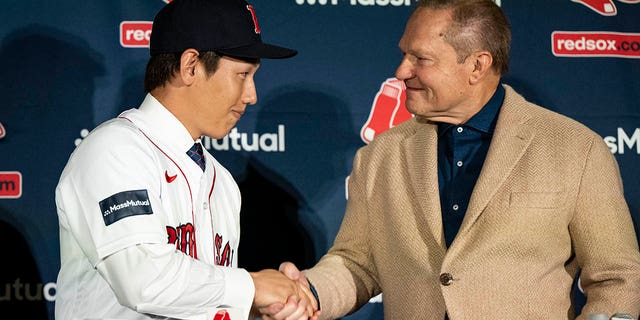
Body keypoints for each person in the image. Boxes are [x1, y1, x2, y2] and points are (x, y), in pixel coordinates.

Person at [267, 0, 640, 319]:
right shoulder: (381, 155)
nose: (401, 72)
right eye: (403, 54)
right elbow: (356, 263)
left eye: (421, 59)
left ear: (477, 66)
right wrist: (309, 292)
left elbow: (616, 278)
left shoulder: (575, 149)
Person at [54, 0, 318, 319]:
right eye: (242, 74)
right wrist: (253, 286)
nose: (252, 95)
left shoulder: (222, 181)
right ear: (190, 66)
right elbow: (142, 282)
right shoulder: (114, 149)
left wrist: (267, 309)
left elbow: (200, 302)